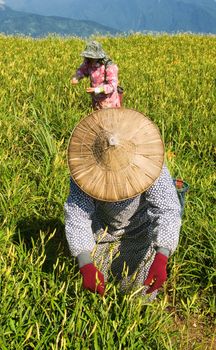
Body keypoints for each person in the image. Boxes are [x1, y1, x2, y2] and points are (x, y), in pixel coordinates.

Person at [64, 108, 182, 299]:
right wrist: (85, 264)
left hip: (142, 231)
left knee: (140, 292)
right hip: (103, 231)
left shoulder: (151, 165)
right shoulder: (84, 171)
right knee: (98, 291)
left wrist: (162, 255)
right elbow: (78, 215)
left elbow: (167, 208)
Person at [71, 40, 121, 110]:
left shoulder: (109, 66)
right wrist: (77, 77)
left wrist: (97, 90)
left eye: (92, 57)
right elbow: (82, 70)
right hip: (95, 100)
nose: (90, 58)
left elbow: (112, 86)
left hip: (108, 102)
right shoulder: (88, 62)